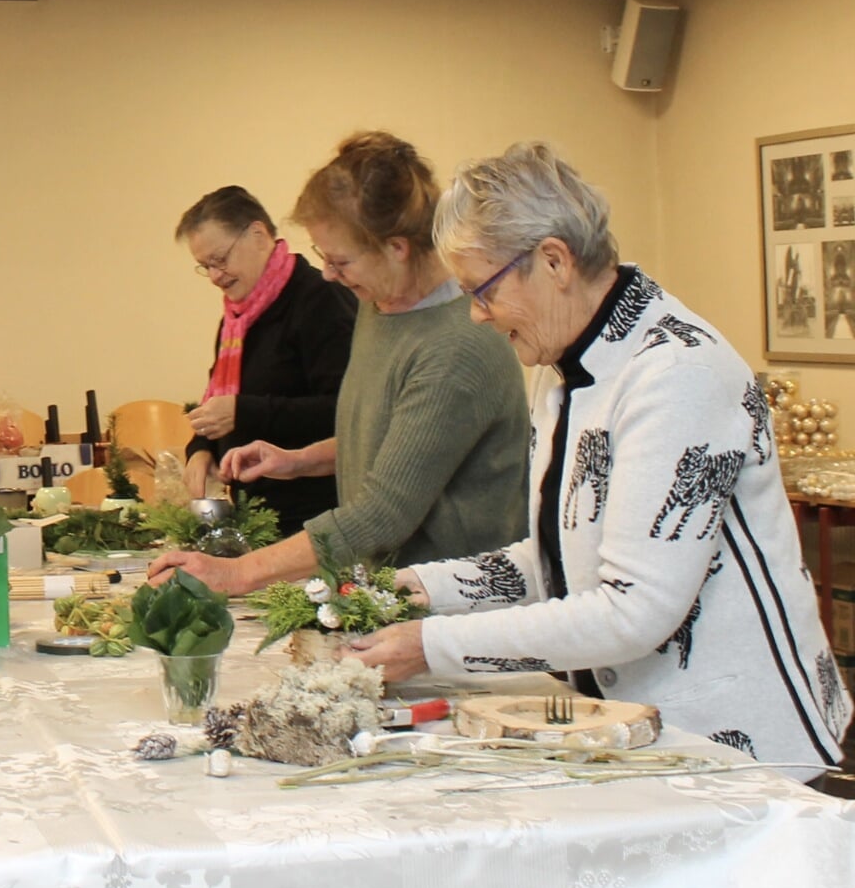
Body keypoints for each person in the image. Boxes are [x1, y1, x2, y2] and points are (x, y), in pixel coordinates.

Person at [347, 142, 849, 778]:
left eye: (482, 291)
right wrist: (418, 591)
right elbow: (558, 559)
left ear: (553, 260)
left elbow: (633, 609)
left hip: (740, 749)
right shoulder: (565, 367)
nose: (476, 315)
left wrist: (429, 647)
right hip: (632, 725)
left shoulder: (676, 374)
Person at [149, 132, 528, 592]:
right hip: (389, 595)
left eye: (341, 260)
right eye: (323, 258)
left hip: (454, 607)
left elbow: (383, 512)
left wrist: (238, 572)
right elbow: (388, 440)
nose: (328, 273)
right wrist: (299, 460)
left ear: (396, 248)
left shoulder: (456, 347)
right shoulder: (381, 305)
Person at [177, 185, 356, 531]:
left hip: (315, 517)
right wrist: (201, 448)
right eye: (205, 266)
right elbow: (218, 403)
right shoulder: (236, 318)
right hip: (255, 512)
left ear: (258, 234)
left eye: (220, 259)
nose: (215, 276)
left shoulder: (321, 300)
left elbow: (348, 411)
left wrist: (245, 412)